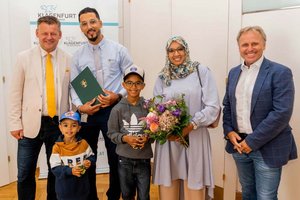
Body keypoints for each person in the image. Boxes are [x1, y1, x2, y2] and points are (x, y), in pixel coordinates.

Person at [223, 26, 297, 200]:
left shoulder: (280, 72)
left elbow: (281, 113)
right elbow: (227, 106)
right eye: (245, 44)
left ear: (264, 44)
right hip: (239, 146)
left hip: (267, 147)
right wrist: (229, 131)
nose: (250, 48)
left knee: (266, 197)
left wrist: (252, 141)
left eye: (254, 43)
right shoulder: (234, 73)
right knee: (247, 192)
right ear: (239, 47)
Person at [70, 7, 133, 200]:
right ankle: (90, 197)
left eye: (92, 22)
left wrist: (118, 95)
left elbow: (132, 78)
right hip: (88, 113)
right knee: (88, 157)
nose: (89, 27)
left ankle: (114, 195)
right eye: (84, 23)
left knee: (116, 157)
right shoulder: (77, 56)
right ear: (81, 28)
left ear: (100, 22)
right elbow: (73, 87)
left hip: (113, 111)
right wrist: (81, 107)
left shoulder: (119, 50)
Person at [8, 16, 71, 200]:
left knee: (56, 171)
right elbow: (14, 93)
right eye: (45, 33)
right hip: (29, 126)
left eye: (53, 33)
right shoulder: (23, 58)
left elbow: (72, 92)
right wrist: (14, 123)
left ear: (60, 35)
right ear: (37, 33)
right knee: (25, 173)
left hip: (58, 124)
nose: (49, 37)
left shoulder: (69, 59)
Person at [152, 36, 220, 200]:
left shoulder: (201, 71)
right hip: (170, 140)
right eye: (171, 50)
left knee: (194, 186)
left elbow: (213, 107)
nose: (176, 54)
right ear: (167, 53)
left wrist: (191, 125)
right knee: (170, 185)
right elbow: (156, 108)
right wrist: (165, 128)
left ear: (186, 50)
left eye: (180, 49)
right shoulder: (163, 77)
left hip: (195, 137)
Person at [107, 65, 153, 200]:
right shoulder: (117, 109)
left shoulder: (149, 107)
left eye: (138, 83)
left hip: (144, 159)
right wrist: (125, 138)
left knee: (144, 196)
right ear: (123, 85)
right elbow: (111, 133)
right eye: (129, 83)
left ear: (143, 85)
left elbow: (155, 131)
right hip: (124, 160)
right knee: (127, 195)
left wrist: (147, 137)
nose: (134, 87)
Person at [50, 111, 96, 200]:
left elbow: (92, 156)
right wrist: (70, 171)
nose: (69, 129)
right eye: (65, 125)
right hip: (64, 190)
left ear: (79, 128)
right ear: (60, 127)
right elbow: (55, 169)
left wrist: (89, 161)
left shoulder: (84, 143)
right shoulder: (57, 148)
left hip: (82, 188)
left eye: (74, 125)